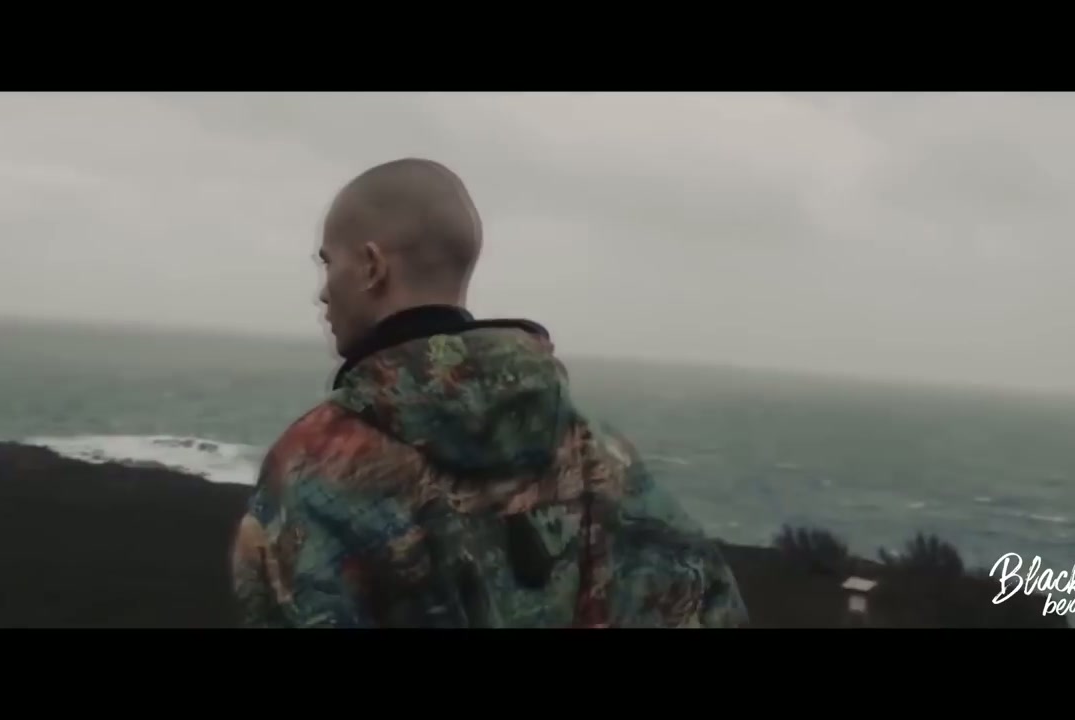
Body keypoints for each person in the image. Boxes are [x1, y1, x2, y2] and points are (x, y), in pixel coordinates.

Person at [230, 157, 749, 628]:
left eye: (328, 263)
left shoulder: (314, 470)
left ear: (372, 267)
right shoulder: (602, 456)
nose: (323, 292)